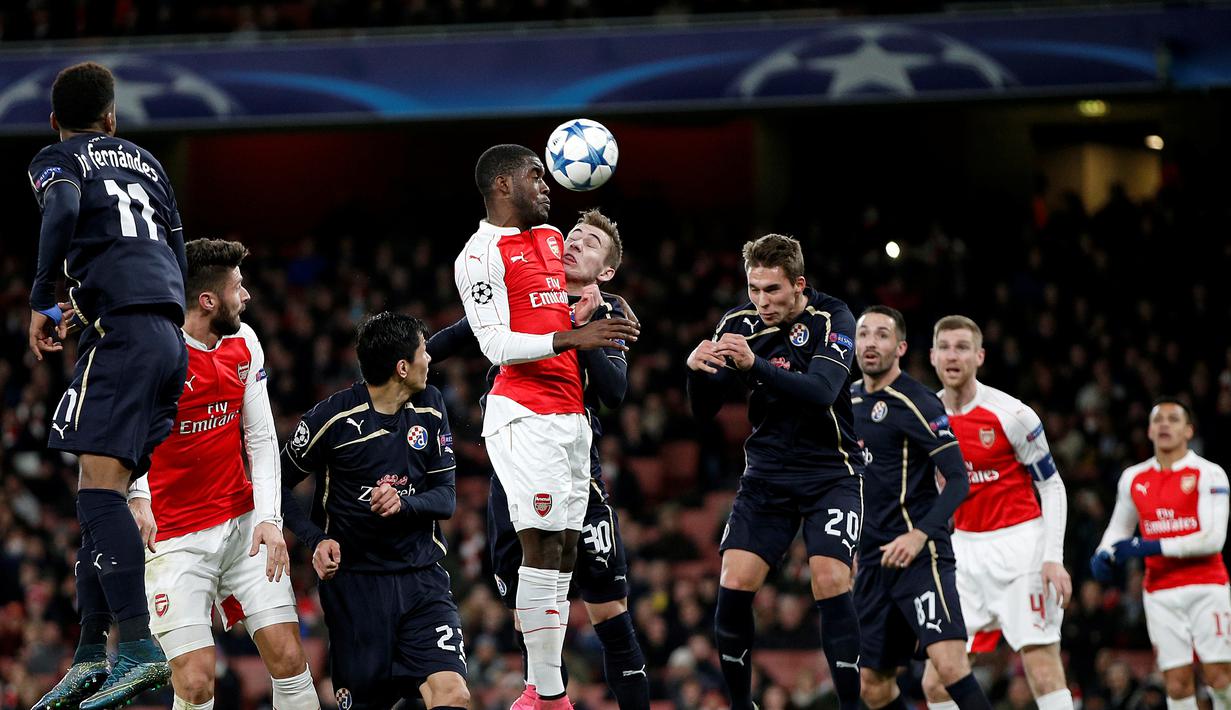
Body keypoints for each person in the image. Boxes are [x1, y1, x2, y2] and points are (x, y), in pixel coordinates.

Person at [430, 208, 649, 709]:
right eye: (572, 235)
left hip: (576, 468)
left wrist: (585, 327)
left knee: (609, 611)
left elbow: (614, 391)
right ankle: (548, 698)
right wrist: (408, 356)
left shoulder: (610, 308)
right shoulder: (524, 285)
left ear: (607, 270)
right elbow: (461, 333)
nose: (574, 244)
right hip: (517, 458)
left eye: (590, 243)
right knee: (526, 609)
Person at [27, 62, 188, 710]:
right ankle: (91, 653)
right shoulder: (150, 164)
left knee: (97, 495)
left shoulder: (58, 158)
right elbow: (174, 249)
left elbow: (64, 204)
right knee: (102, 489)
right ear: (112, 118)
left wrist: (43, 295)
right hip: (166, 335)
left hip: (122, 338)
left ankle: (138, 647)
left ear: (54, 121)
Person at [125, 239, 318, 710]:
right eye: (237, 287)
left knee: (289, 657)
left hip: (241, 525)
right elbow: (126, 435)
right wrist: (137, 494)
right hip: (175, 539)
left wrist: (269, 518)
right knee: (195, 684)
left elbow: (261, 438)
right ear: (208, 300)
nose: (246, 295)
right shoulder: (158, 352)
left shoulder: (243, 341)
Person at [685, 233, 863, 710]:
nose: (761, 301)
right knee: (733, 584)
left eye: (772, 290)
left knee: (830, 579)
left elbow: (822, 391)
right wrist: (695, 372)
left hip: (831, 471)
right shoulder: (738, 324)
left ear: (798, 285)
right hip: (767, 474)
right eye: (754, 289)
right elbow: (704, 411)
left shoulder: (833, 317)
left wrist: (755, 364)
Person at [281, 312, 470, 710]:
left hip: (422, 580)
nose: (429, 359)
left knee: (453, 693)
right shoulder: (331, 419)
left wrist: (404, 503)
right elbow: (275, 485)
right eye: (423, 351)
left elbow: (445, 498)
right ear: (402, 368)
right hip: (356, 586)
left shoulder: (431, 406)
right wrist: (316, 539)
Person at [923, 316, 1073, 710]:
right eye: (945, 348)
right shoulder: (922, 416)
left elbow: (1051, 485)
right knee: (938, 681)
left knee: (1042, 671)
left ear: (979, 356)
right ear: (933, 356)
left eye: (962, 347)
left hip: (1022, 550)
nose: (953, 356)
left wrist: (1052, 557)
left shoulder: (1013, 415)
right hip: (962, 554)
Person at [850, 306, 991, 710]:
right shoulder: (847, 400)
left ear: (900, 347)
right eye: (864, 334)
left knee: (950, 667)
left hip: (920, 557)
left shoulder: (918, 401)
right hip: (873, 561)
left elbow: (959, 480)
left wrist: (918, 535)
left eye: (882, 335)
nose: (871, 343)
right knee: (872, 685)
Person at [1090, 399, 1231, 710]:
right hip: (1159, 591)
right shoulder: (1133, 477)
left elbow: (1213, 539)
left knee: (1219, 676)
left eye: (1173, 419)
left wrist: (1150, 546)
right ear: (1149, 431)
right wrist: (1103, 553)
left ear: (1188, 430)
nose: (1165, 424)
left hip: (1207, 586)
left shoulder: (1210, 473)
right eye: (1158, 420)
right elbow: (1119, 529)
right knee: (1176, 682)